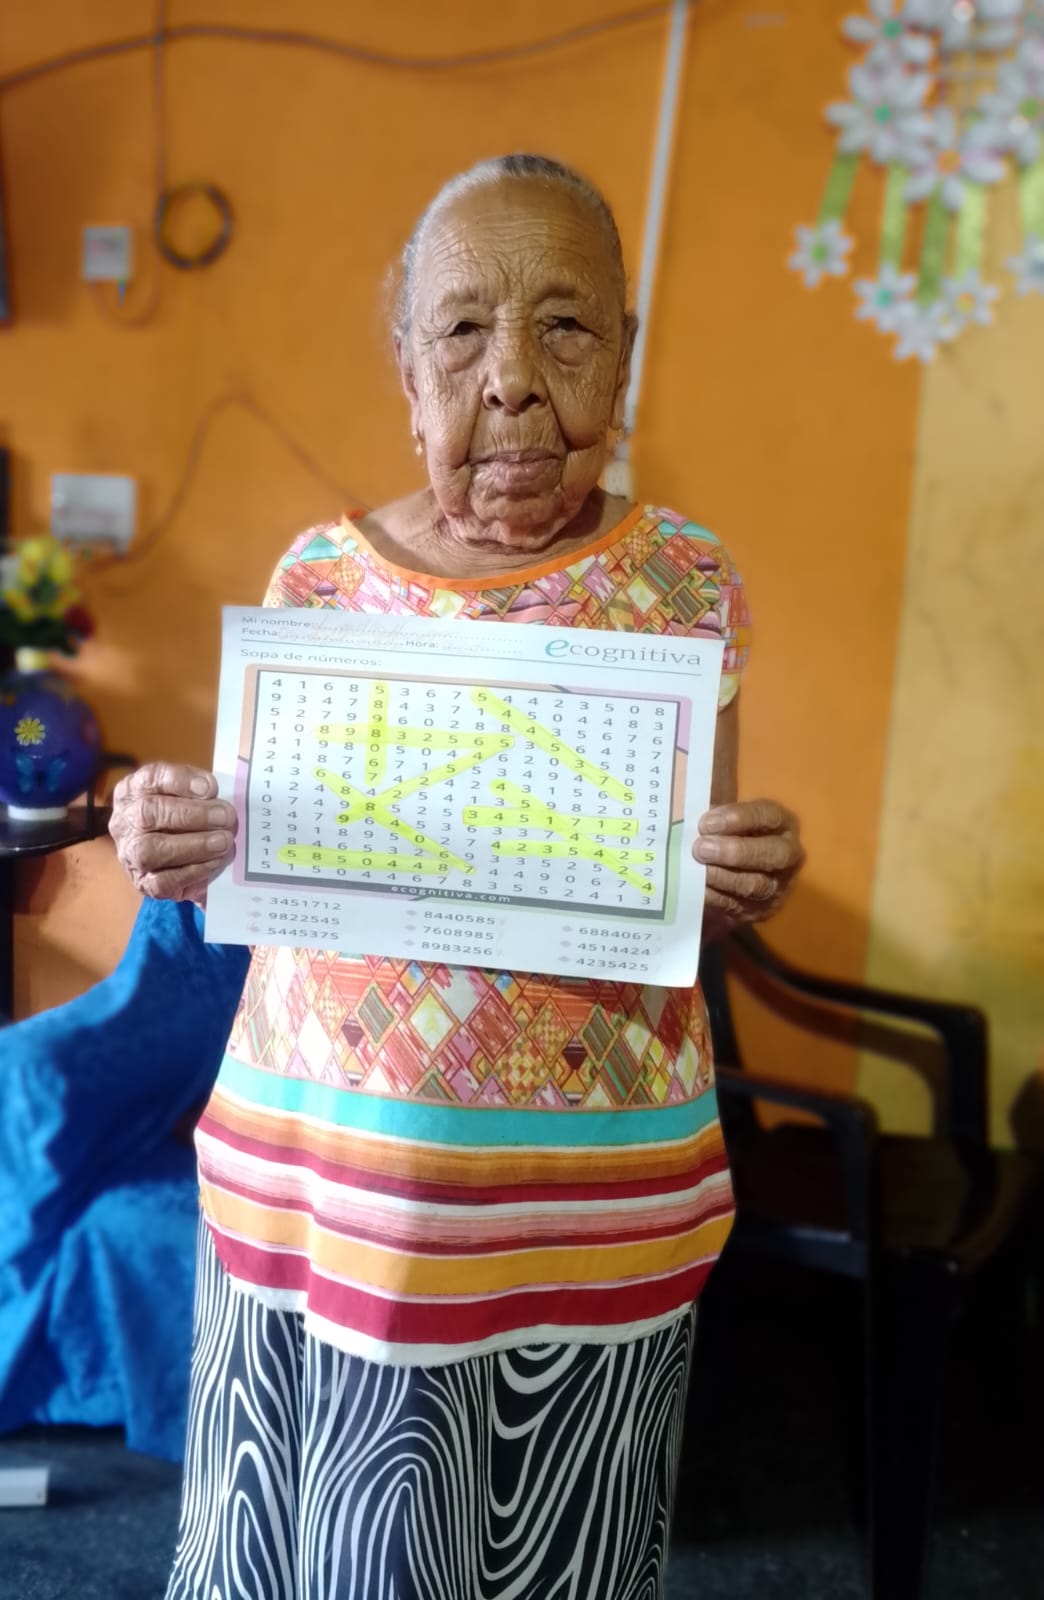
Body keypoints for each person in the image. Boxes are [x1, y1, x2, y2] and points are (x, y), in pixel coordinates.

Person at [110, 154, 804, 1600]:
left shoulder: (686, 581)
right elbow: (251, 846)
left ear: (625, 352)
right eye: (465, 329)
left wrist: (742, 876)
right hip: (328, 1187)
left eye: (566, 326)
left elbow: (693, 896)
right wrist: (172, 834)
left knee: (564, 1559)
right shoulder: (318, 580)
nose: (513, 381)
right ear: (409, 374)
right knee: (302, 1550)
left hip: (589, 1205)